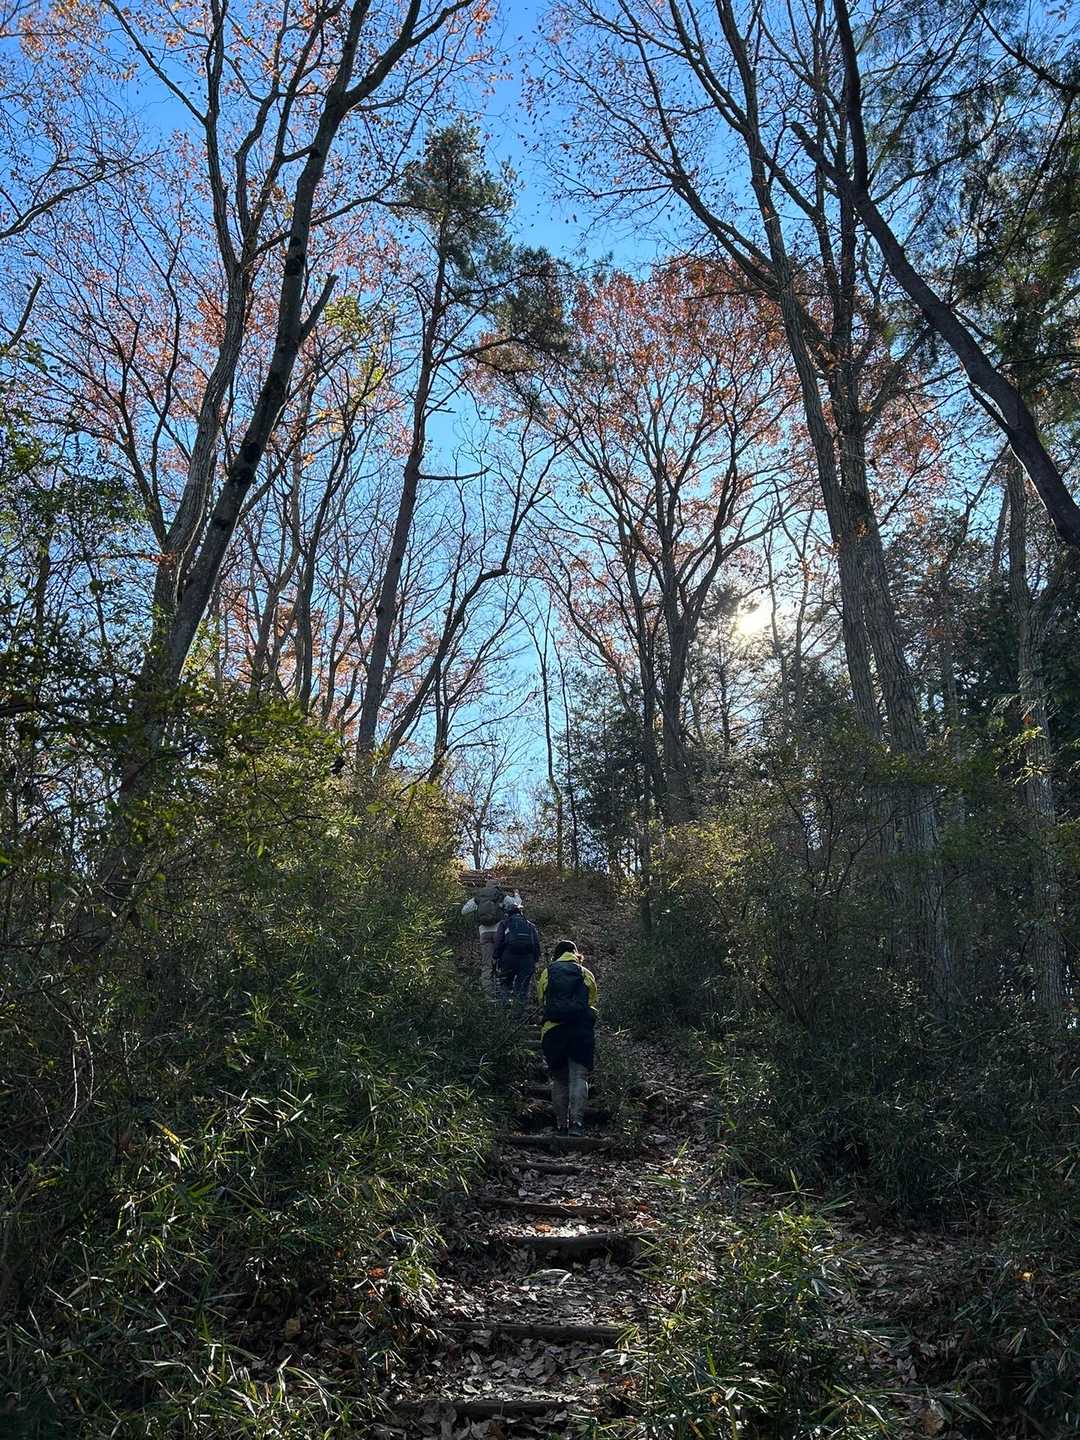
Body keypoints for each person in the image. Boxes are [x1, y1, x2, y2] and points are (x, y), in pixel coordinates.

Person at [536, 940, 598, 1135]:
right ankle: (577, 1124)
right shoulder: (585, 973)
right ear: (575, 954)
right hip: (580, 1031)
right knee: (579, 1076)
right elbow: (592, 999)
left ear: (557, 955)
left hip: (553, 1031)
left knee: (560, 1080)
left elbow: (542, 999)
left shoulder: (548, 972)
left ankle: (561, 1124)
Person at [461, 879, 510, 995]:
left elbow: (464, 911)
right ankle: (502, 991)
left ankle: (487, 994)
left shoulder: (479, 897)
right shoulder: (500, 895)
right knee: (502, 962)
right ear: (497, 886)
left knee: (487, 964)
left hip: (484, 933)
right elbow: (516, 904)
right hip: (499, 932)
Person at [493, 899, 541, 1012]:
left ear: (507, 913)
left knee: (505, 984)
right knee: (522, 987)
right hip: (527, 959)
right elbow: (536, 945)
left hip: (508, 958)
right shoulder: (530, 925)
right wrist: (535, 960)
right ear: (520, 912)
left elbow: (498, 942)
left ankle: (503, 1012)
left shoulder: (504, 924)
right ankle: (518, 1014)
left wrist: (495, 957)